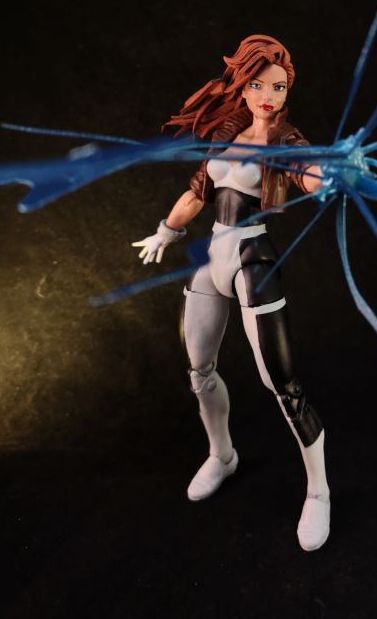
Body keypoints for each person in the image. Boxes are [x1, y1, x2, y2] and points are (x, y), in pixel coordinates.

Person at [132, 35, 330, 552]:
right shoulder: (228, 131)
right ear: (243, 87)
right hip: (211, 256)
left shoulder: (286, 140)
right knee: (199, 369)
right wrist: (166, 230)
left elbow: (309, 173)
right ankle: (222, 455)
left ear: (288, 92)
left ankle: (319, 491)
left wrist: (331, 174)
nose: (268, 96)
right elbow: (198, 190)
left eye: (278, 87)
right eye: (259, 85)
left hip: (252, 260)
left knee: (282, 385)